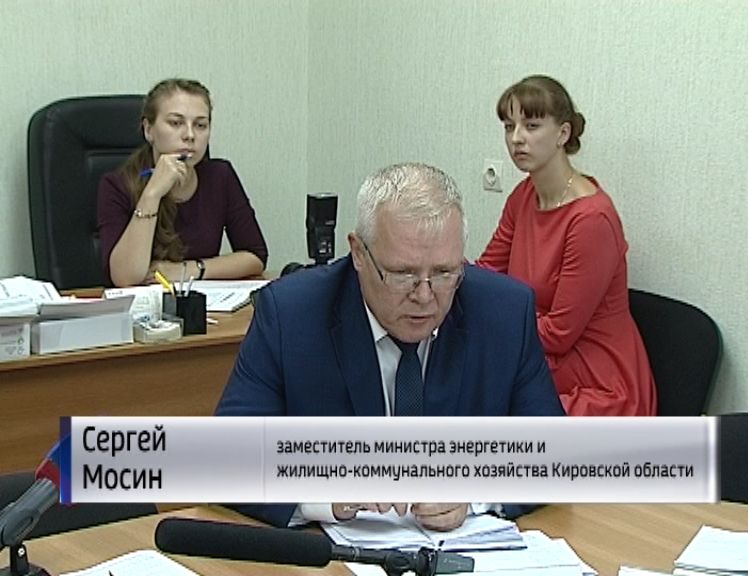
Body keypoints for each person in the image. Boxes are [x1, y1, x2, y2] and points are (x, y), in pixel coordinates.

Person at [216, 162, 564, 530]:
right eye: (402, 274)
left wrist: (475, 491)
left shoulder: (504, 313)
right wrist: (326, 489)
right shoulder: (291, 314)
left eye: (444, 273)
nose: (425, 296)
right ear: (358, 253)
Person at [476, 75, 656, 417]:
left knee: (487, 408)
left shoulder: (591, 220)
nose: (516, 139)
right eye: (509, 126)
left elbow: (560, 334)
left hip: (597, 382)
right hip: (540, 359)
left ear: (563, 134)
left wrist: (494, 323)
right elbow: (486, 274)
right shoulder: (523, 195)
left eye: (531, 126)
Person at [97, 78, 268, 287]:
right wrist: (152, 194)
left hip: (203, 302)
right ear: (148, 130)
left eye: (200, 125)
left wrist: (188, 270)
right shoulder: (116, 185)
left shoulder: (220, 176)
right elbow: (125, 278)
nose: (190, 135)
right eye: (176, 123)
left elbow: (255, 256)